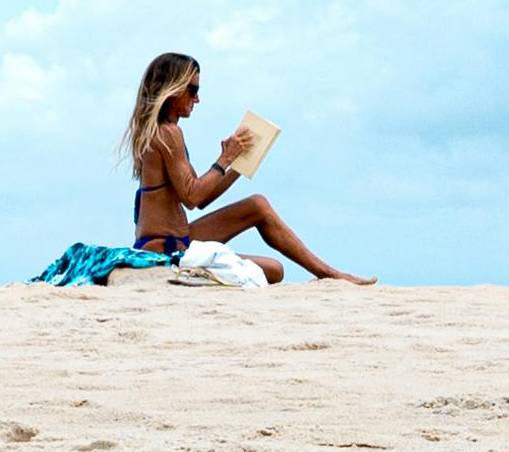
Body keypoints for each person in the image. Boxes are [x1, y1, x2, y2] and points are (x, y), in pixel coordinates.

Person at [121, 50, 373, 284]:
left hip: (175, 238)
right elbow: (192, 196)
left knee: (257, 206)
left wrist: (239, 163)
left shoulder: (160, 132)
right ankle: (331, 274)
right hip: (166, 249)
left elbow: (201, 199)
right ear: (173, 90)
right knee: (274, 269)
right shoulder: (168, 133)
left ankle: (330, 273)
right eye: (192, 89)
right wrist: (225, 159)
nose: (197, 98)